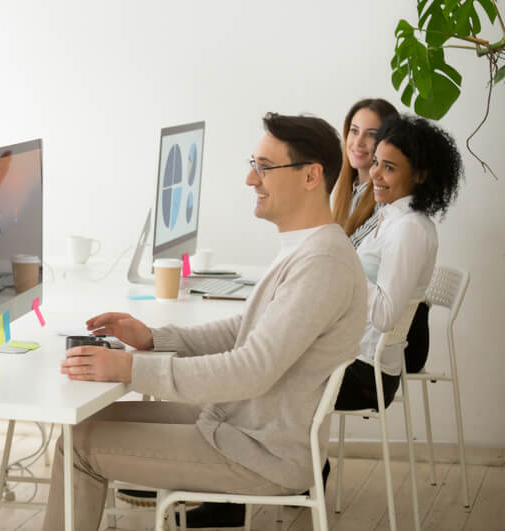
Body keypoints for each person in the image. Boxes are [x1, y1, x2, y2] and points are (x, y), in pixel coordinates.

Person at [42, 113, 367, 531]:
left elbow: (250, 370)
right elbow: (242, 331)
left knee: (78, 446)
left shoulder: (322, 263)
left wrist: (132, 369)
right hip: (240, 428)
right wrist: (152, 338)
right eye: (254, 164)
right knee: (84, 425)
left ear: (311, 176)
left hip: (260, 453)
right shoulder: (307, 249)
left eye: (264, 167)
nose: (251, 179)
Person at [334, 114, 463, 412]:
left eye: (389, 168)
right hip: (349, 358)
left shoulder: (409, 229)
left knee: (270, 376)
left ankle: (310, 460)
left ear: (419, 175)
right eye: (376, 162)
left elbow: (384, 316)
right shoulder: (389, 217)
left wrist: (342, 270)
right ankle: (308, 458)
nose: (375, 174)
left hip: (365, 375)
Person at [331, 98, 399, 248]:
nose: (358, 142)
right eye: (354, 131)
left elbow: (346, 253)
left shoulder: (385, 200)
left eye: (371, 135)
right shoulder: (347, 190)